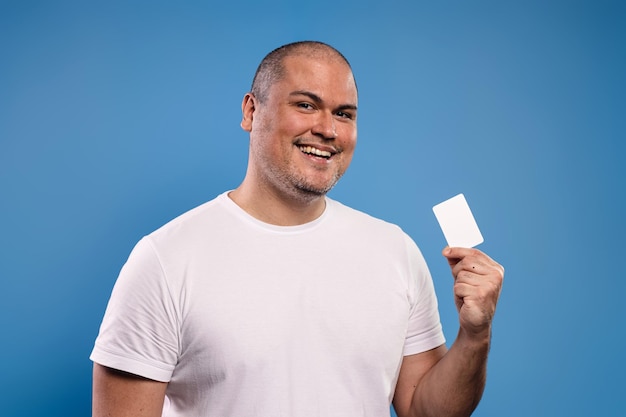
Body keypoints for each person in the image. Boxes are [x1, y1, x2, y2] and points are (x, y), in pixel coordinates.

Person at [91, 40, 504, 417]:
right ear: (251, 111)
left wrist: (474, 335)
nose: (328, 129)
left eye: (344, 114)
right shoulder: (166, 259)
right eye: (306, 105)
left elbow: (424, 410)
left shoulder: (396, 251)